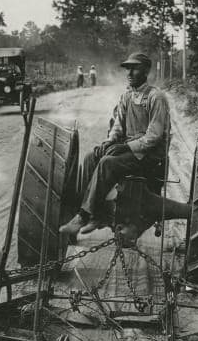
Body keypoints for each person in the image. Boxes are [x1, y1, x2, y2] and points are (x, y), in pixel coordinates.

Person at [60, 52, 169, 236]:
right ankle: (96, 215)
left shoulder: (156, 97)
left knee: (107, 163)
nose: (129, 73)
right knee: (91, 157)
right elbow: (118, 125)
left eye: (134, 68)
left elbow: (155, 135)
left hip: (150, 154)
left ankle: (82, 216)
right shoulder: (127, 97)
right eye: (128, 69)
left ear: (145, 71)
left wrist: (127, 147)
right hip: (132, 151)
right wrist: (109, 142)